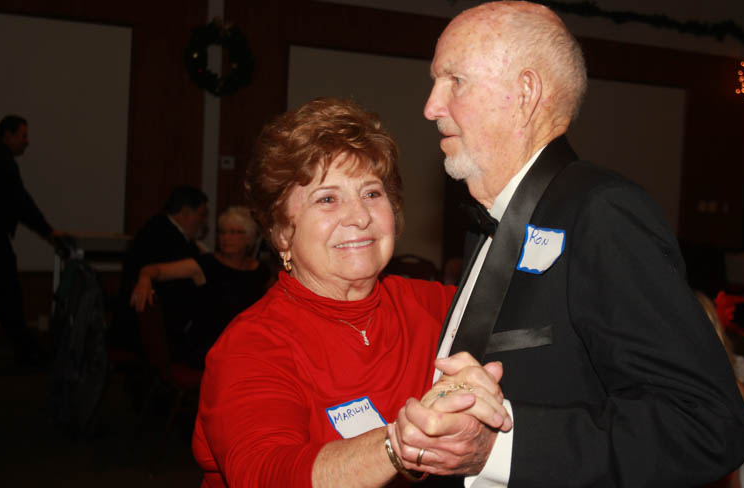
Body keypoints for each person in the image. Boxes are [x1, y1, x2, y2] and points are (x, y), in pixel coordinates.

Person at [390, 0, 744, 487]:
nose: (431, 106)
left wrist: (500, 448)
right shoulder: (493, 222)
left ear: (525, 93)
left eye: (455, 81)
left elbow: (708, 424)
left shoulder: (602, 212)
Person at [191, 98, 511, 487]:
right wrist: (401, 444)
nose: (359, 217)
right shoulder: (252, 345)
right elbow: (268, 472)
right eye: (327, 199)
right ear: (281, 232)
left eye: (372, 194)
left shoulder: (434, 305)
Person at [130, 206, 272, 368]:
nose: (226, 238)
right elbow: (155, 270)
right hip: (210, 348)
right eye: (222, 232)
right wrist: (144, 279)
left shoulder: (260, 271)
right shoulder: (207, 264)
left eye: (234, 232)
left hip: (244, 345)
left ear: (249, 237)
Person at [0, 114, 63, 366]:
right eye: (23, 136)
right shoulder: (3, 163)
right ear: (7, 136)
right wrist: (48, 231)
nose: (27, 141)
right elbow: (21, 203)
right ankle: (27, 353)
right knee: (8, 296)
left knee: (5, 298)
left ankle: (26, 350)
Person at [110, 185, 209, 356]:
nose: (203, 221)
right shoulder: (169, 238)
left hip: (140, 328)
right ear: (185, 213)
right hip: (153, 334)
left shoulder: (158, 229)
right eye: (201, 215)